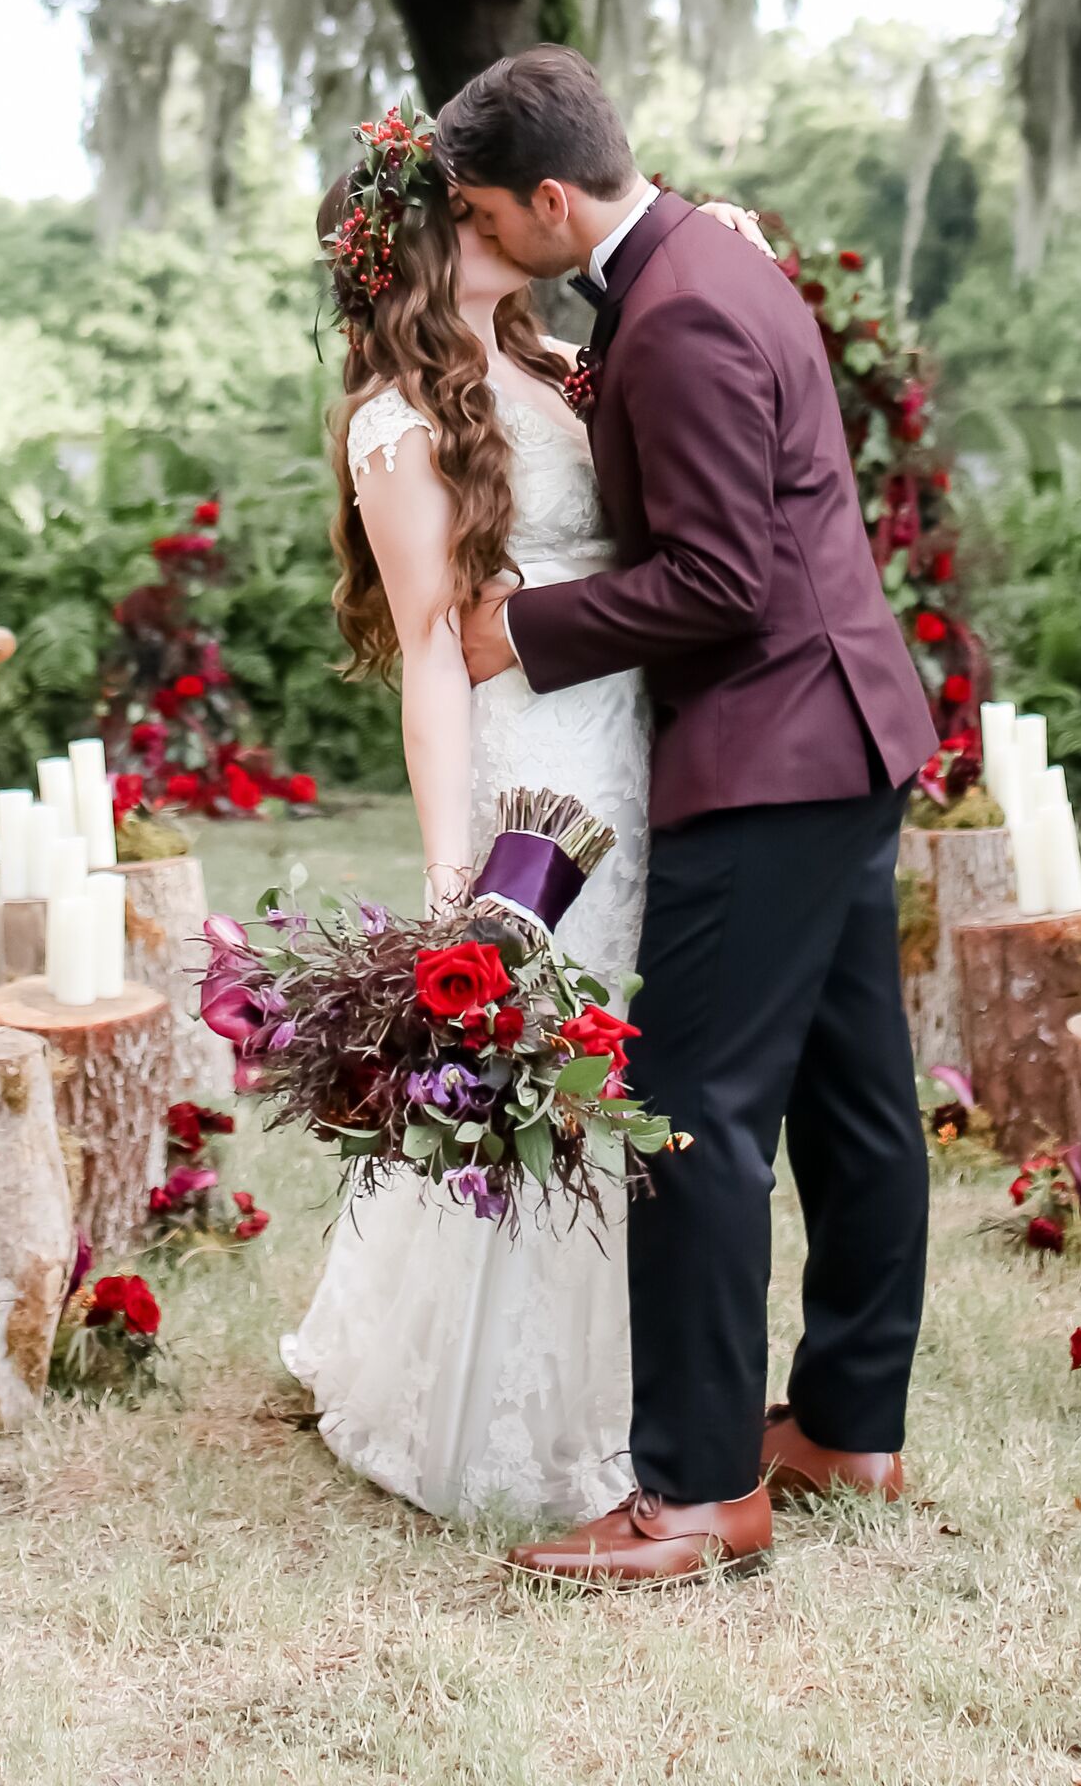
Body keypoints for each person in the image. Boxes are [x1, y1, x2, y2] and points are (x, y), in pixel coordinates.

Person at [436, 44, 937, 1590]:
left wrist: (524, 628)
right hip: (843, 733)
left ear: (548, 197)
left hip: (772, 750)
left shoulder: (681, 311)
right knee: (855, 1103)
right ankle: (847, 1428)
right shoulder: (709, 261)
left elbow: (723, 579)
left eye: (483, 213)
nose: (478, 234)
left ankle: (701, 1490)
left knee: (693, 1113)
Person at [279, 108, 650, 1526]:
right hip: (536, 769)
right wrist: (455, 874)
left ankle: (639, 1389)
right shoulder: (400, 421)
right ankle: (502, 1418)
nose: (495, 217)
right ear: (428, 247)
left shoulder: (549, 367)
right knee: (545, 1057)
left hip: (635, 747)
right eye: (464, 209)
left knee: (628, 1052)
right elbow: (431, 654)